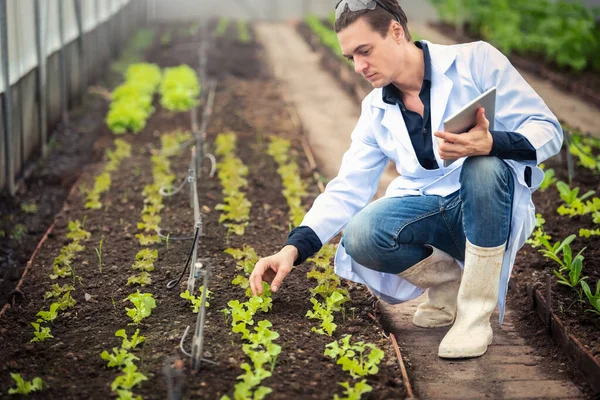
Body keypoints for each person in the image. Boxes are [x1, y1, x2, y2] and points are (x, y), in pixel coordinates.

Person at [250, 0, 562, 359]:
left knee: (484, 165)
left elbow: (548, 129)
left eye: (365, 51)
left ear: (396, 32)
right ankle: (450, 286)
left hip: (488, 208)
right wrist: (293, 248)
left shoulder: (476, 61)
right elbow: (348, 186)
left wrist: (493, 143)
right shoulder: (375, 108)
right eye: (351, 57)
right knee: (362, 234)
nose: (359, 67)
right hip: (431, 215)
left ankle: (475, 316)